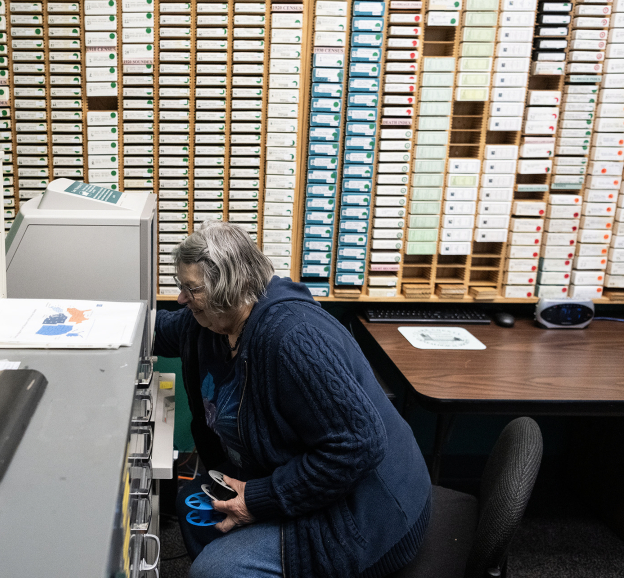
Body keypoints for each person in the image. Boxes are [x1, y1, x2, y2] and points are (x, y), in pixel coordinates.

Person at [154, 222, 432, 578]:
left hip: (364, 511)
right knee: (195, 505)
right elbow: (158, 328)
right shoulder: (209, 322)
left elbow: (359, 445)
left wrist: (259, 500)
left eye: (190, 290)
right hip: (290, 473)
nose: (181, 299)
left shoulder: (293, 340)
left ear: (229, 290)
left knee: (215, 570)